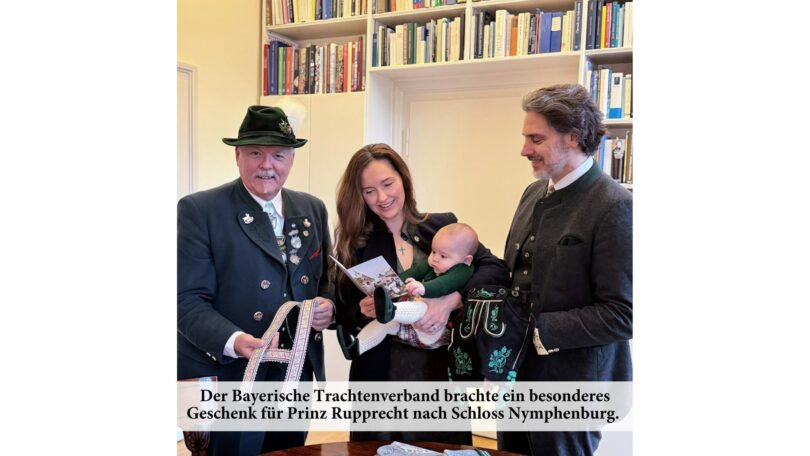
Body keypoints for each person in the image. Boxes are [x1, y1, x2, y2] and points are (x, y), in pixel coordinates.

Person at [177, 105, 335, 455]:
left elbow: (326, 281)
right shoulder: (200, 210)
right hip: (229, 371)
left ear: (291, 159)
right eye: (255, 153)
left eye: (278, 155)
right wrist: (236, 341)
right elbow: (185, 301)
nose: (267, 165)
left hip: (294, 373)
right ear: (238, 156)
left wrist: (328, 306)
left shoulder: (312, 208)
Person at [331, 143, 511, 444]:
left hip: (438, 370)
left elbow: (496, 270)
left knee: (442, 447)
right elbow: (343, 313)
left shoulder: (442, 227)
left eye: (388, 184)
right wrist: (362, 311)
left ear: (403, 179)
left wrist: (451, 300)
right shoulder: (357, 244)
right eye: (369, 191)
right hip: (380, 374)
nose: (382, 197)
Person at [498, 84, 633, 456]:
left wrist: (535, 331)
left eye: (536, 138)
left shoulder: (615, 205)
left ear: (573, 136)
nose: (524, 149)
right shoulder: (532, 193)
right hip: (514, 376)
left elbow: (623, 314)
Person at [336, 223, 479, 359]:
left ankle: (391, 310)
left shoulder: (463, 270)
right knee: (383, 324)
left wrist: (423, 288)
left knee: (422, 306)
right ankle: (356, 347)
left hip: (434, 331)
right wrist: (391, 285)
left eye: (443, 256)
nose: (435, 258)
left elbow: (444, 284)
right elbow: (413, 272)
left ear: (466, 260)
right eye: (433, 251)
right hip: (411, 326)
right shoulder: (434, 264)